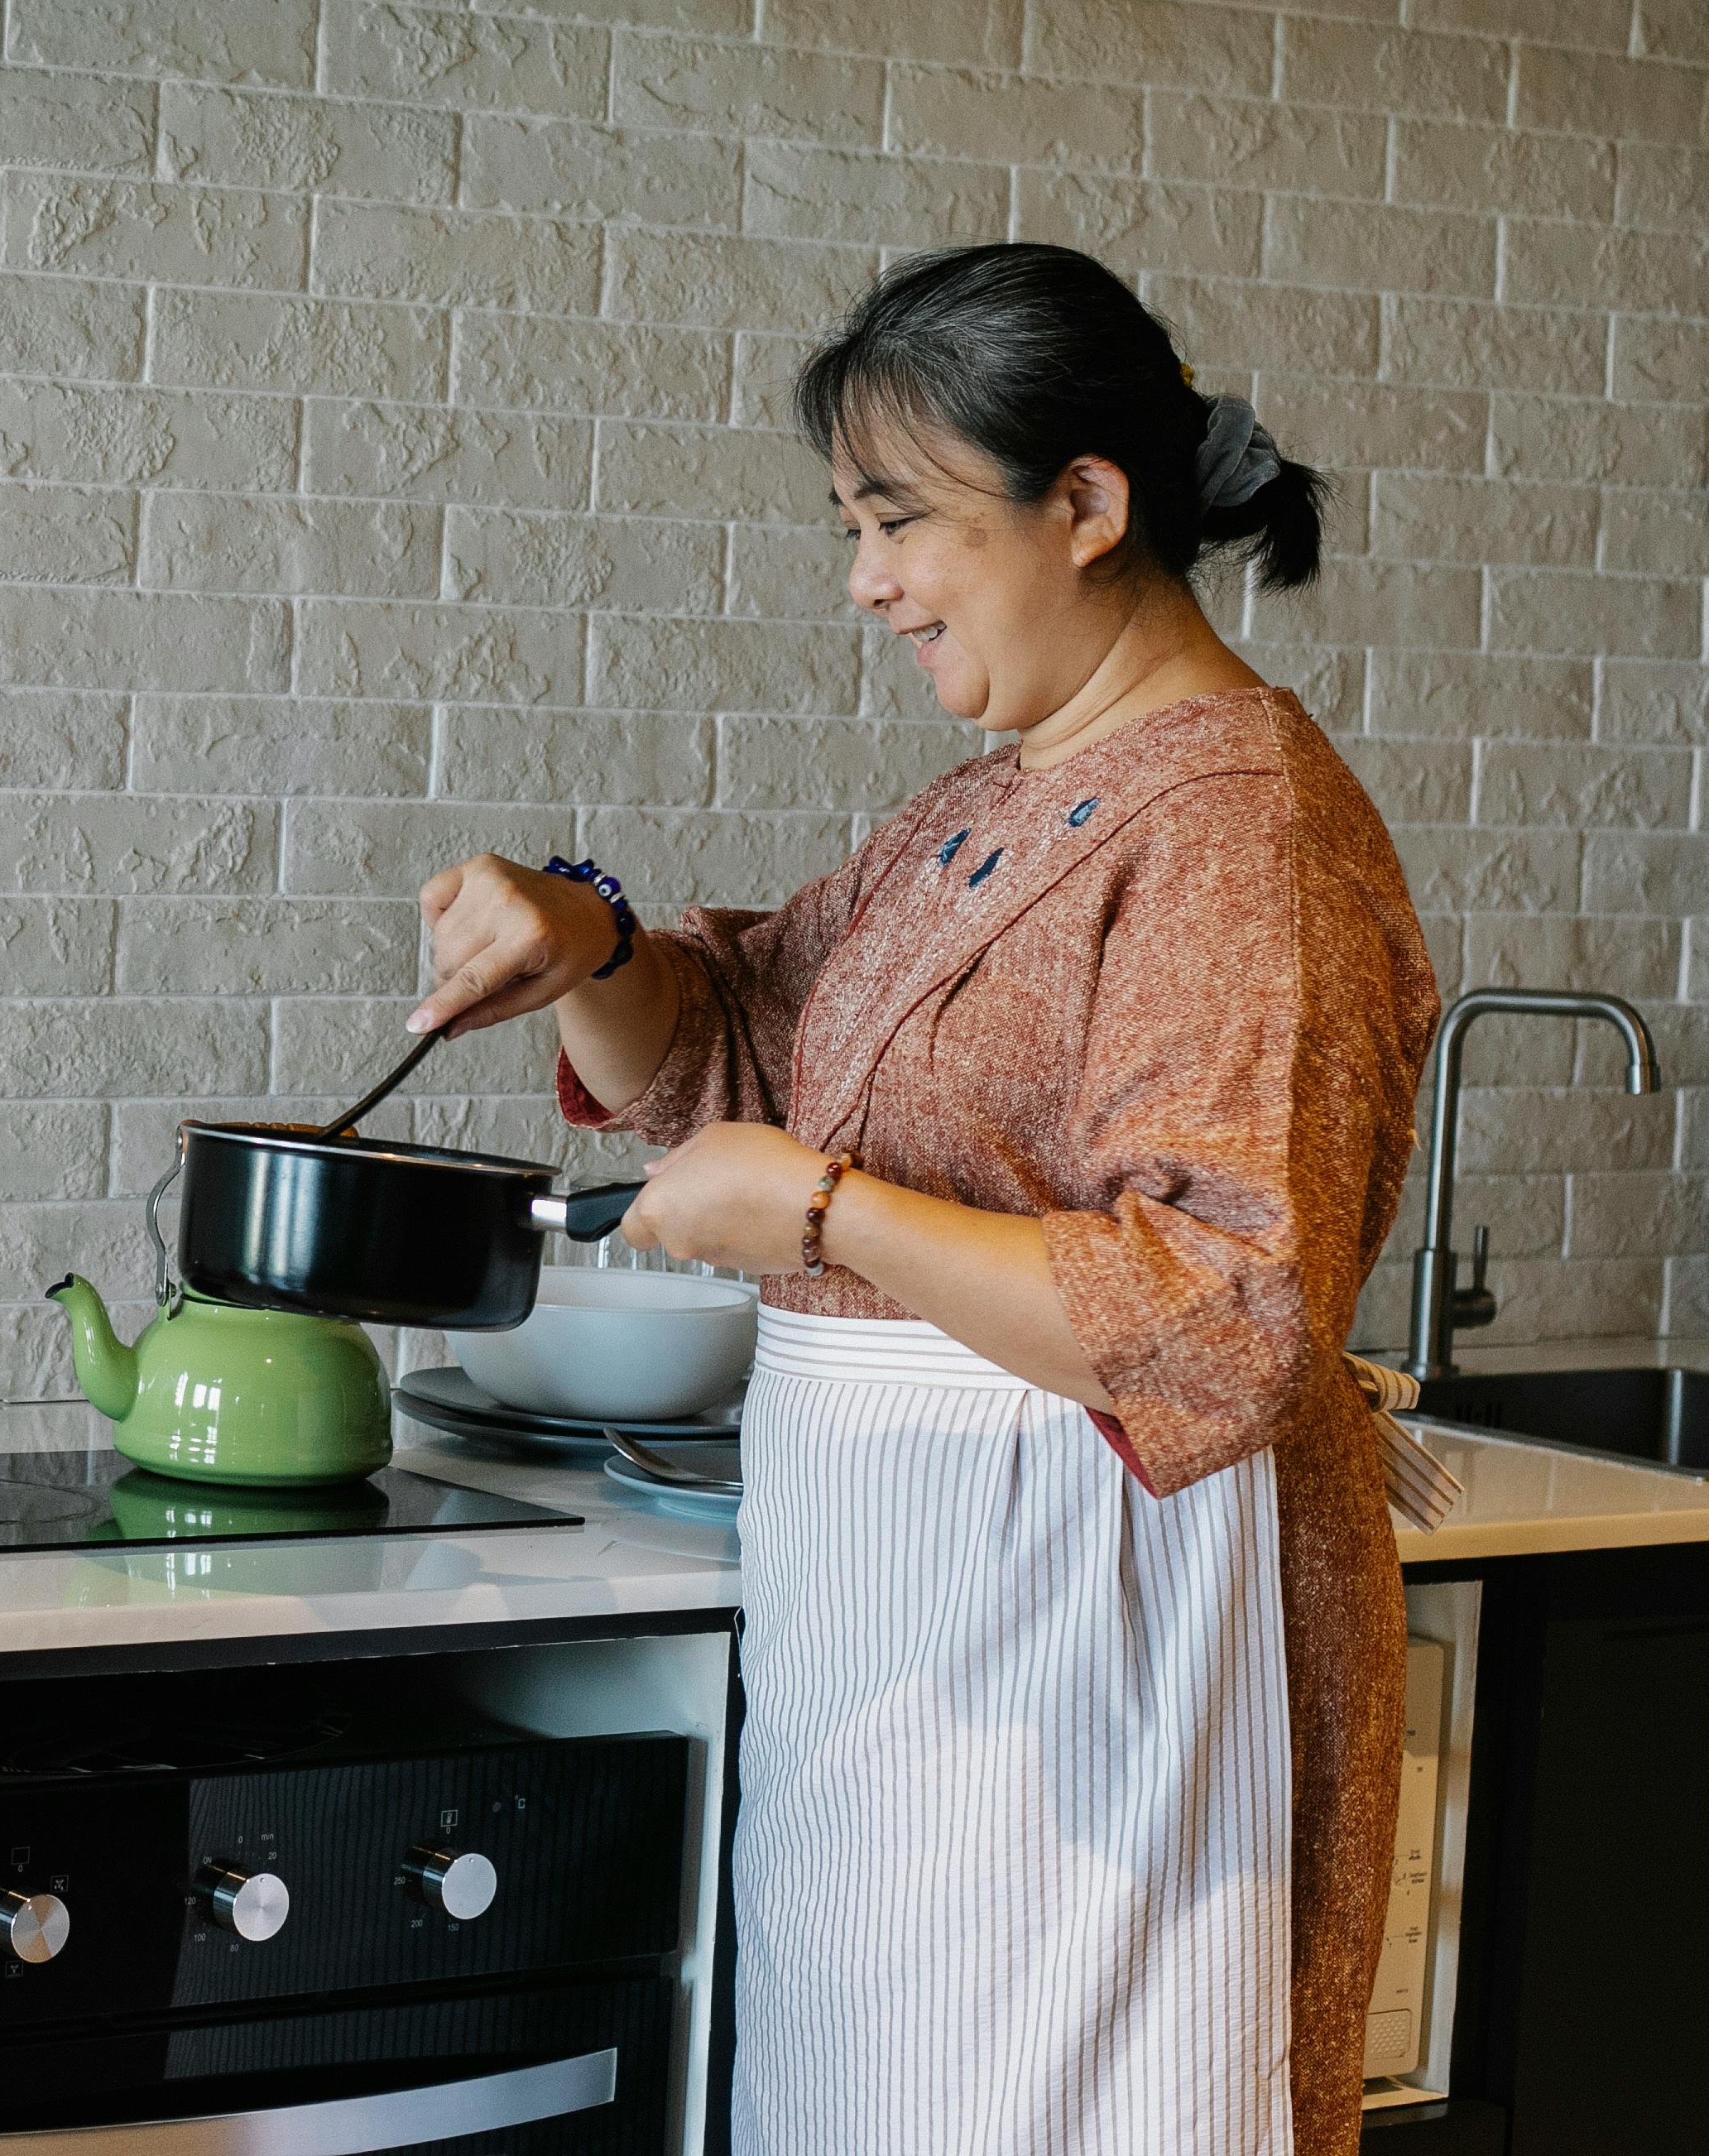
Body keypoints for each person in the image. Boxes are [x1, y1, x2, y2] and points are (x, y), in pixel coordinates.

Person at [408, 242, 1438, 2156]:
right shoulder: (986, 805)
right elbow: (738, 1037)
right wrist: (588, 941)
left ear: (1085, 508)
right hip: (908, 1652)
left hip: (1112, 1647)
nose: (863, 579)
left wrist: (819, 1217)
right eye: (848, 523)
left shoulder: (1238, 831)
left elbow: (1215, 1305)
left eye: (899, 521)